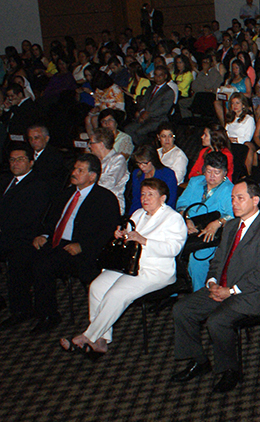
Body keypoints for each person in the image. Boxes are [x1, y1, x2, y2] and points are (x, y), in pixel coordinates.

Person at [170, 180, 260, 393]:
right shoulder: (231, 226)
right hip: (222, 287)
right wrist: (212, 282)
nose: (234, 203)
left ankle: (230, 371)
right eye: (232, 198)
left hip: (252, 294)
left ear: (255, 200)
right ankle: (199, 361)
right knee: (182, 309)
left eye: (240, 198)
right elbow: (218, 260)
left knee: (217, 321)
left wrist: (230, 291)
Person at [58, 178, 186, 357]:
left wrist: (144, 240)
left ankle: (88, 336)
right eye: (142, 194)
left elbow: (173, 249)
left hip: (155, 270)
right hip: (130, 265)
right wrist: (121, 235)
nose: (145, 198)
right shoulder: (138, 214)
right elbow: (128, 241)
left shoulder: (173, 219)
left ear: (163, 198)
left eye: (150, 194)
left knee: (116, 294)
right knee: (97, 287)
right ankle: (102, 339)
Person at [24, 155, 121, 333]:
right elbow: (51, 219)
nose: (74, 173)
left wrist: (82, 245)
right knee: (23, 254)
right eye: (74, 168)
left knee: (42, 266)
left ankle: (49, 315)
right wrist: (43, 234)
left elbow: (107, 233)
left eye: (80, 170)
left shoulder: (104, 199)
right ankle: (24, 309)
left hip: (82, 250)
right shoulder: (67, 193)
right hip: (56, 242)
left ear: (92, 176)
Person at [0, 145, 54, 327]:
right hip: (7, 233)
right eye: (12, 160)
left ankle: (21, 309)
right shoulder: (6, 180)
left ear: (31, 162)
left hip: (25, 236)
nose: (15, 163)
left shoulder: (38, 185)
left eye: (20, 159)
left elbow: (30, 217)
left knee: (18, 258)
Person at [175, 152, 234, 290]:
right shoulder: (196, 182)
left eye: (217, 172)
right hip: (188, 226)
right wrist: (187, 219)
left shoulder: (229, 189)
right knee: (168, 248)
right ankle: (174, 289)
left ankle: (199, 294)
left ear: (225, 172)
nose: (212, 176)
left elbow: (232, 214)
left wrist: (218, 222)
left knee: (197, 261)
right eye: (208, 171)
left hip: (210, 234)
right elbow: (181, 203)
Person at [123, 65, 173, 145]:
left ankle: (146, 147)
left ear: (165, 76)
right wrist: (140, 112)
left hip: (158, 119)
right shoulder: (150, 88)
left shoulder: (168, 91)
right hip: (144, 116)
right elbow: (143, 102)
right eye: (156, 75)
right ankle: (138, 147)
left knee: (139, 132)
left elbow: (164, 109)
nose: (157, 77)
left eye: (160, 75)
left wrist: (148, 115)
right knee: (127, 129)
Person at [87, 127, 129, 213]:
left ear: (101, 145)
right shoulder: (94, 160)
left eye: (91, 143)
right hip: (93, 201)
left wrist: (86, 183)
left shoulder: (118, 159)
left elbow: (108, 183)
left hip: (110, 204)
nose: (89, 146)